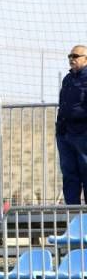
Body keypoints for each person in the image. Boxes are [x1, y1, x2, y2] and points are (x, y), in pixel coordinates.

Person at [56, 45, 87, 204]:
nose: (71, 59)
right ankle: (72, 212)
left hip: (82, 134)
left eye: (75, 56)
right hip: (64, 134)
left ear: (85, 59)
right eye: (70, 56)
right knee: (69, 174)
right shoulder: (67, 79)